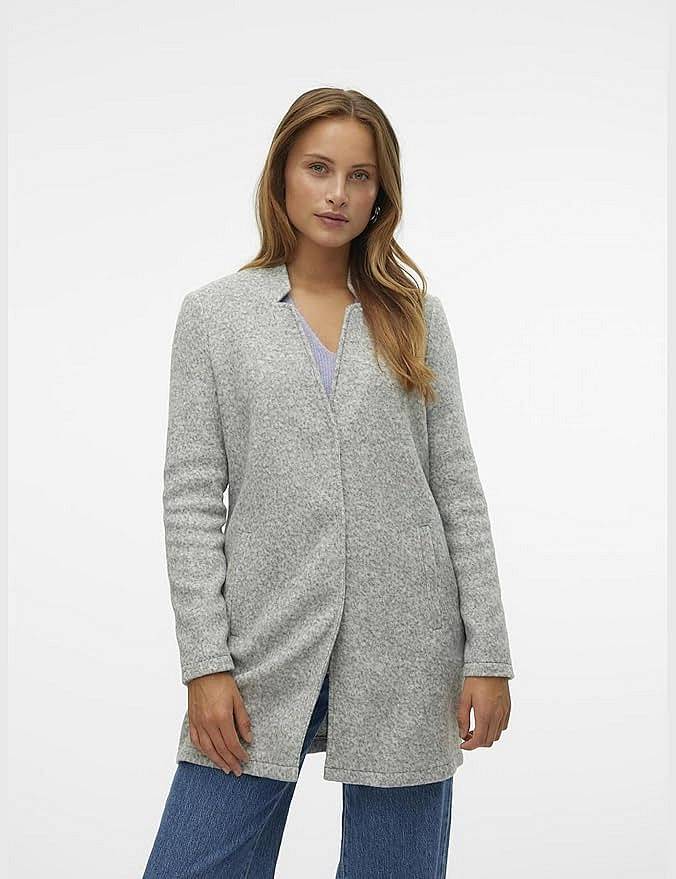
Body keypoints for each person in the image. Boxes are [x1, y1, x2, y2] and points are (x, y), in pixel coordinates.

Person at [142, 86, 515, 879]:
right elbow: (191, 498)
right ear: (282, 173)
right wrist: (204, 662)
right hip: (262, 640)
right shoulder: (215, 317)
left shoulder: (415, 317)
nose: (338, 192)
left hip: (408, 644)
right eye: (318, 168)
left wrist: (489, 652)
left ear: (382, 193)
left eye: (360, 175)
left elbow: (457, 490)